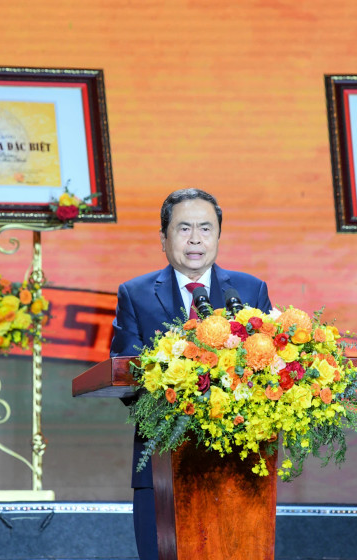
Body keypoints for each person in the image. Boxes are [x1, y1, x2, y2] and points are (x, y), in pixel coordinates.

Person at [110, 188, 272, 560]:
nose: (196, 239)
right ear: (164, 238)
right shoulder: (135, 294)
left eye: (206, 228)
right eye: (184, 229)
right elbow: (124, 372)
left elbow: (272, 367)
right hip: (163, 462)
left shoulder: (248, 290)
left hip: (241, 462)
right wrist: (177, 386)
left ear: (218, 235)